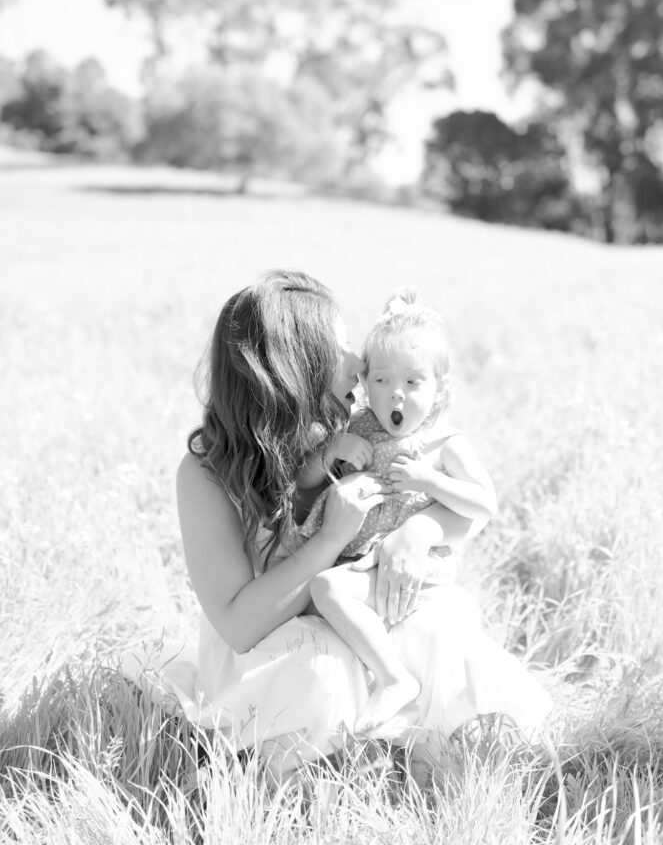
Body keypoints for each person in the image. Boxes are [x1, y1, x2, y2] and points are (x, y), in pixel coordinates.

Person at [121, 270, 551, 778]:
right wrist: (330, 538)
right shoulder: (207, 473)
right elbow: (239, 625)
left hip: (352, 610)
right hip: (271, 648)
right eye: (343, 345)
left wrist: (423, 531)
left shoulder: (351, 424)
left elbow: (458, 507)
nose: (359, 362)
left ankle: (412, 759)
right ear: (297, 366)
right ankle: (283, 769)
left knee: (435, 627)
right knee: (322, 671)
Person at [299, 288, 497, 735]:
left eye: (413, 382)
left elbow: (485, 503)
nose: (396, 395)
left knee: (328, 588)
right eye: (383, 380)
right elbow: (304, 482)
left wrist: (431, 482)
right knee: (320, 600)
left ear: (439, 389)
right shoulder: (356, 425)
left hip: (409, 562)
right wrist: (333, 450)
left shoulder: (442, 442)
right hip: (362, 554)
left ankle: (395, 681)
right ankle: (365, 705)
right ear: (366, 383)